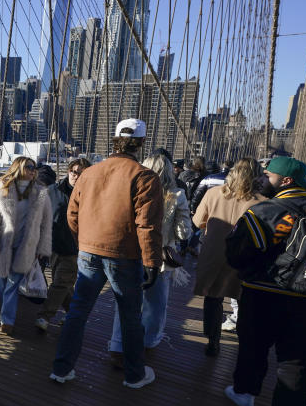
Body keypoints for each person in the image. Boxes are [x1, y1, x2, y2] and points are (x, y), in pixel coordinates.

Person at [50, 118, 163, 389]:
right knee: (129, 316)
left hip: (89, 251)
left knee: (77, 311)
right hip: (125, 256)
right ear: (141, 143)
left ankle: (61, 369)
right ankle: (135, 375)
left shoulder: (89, 174)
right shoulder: (145, 177)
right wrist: (152, 262)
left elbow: (72, 214)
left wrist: (83, 243)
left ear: (114, 140)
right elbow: (147, 225)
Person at [223, 156, 306, 406]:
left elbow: (236, 254)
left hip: (262, 292)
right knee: (296, 356)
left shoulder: (265, 210)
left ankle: (245, 393)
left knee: (253, 346)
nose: (261, 179)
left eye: (268, 175)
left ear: (285, 181)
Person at [106, 154, 190, 359]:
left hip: (130, 253)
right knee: (155, 304)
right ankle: (148, 342)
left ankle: (117, 344)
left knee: (125, 302)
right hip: (159, 258)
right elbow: (184, 232)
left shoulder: (131, 190)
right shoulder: (177, 195)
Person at [192, 158, 265, 355]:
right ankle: (245, 343)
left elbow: (198, 221)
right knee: (245, 300)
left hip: (214, 253)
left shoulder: (213, 194)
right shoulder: (263, 202)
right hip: (245, 258)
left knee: (213, 298)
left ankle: (212, 340)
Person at [0, 156, 53, 335]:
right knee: (3, 283)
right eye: (29, 167)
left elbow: (46, 223)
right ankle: (6, 314)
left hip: (26, 246)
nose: (32, 170)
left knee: (12, 284)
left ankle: (7, 321)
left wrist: (42, 248)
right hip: (3, 244)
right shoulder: (1, 189)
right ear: (18, 167)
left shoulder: (40, 193)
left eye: (34, 168)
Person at [35, 157, 92, 330]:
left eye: (80, 173)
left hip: (76, 248)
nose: (75, 176)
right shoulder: (53, 190)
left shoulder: (91, 195)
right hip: (54, 245)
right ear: (68, 171)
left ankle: (44, 317)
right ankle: (73, 315)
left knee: (60, 282)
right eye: (73, 171)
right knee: (65, 285)